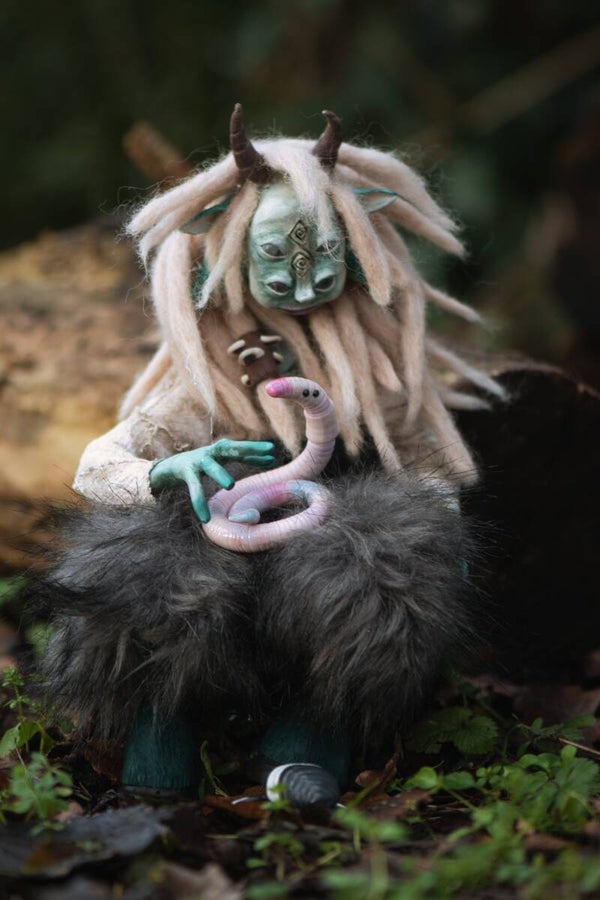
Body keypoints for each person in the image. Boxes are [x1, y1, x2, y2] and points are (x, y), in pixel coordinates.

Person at [37, 105, 503, 813]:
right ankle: (159, 742)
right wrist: (165, 472)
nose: (305, 278)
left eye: (323, 250)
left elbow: (422, 460)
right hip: (214, 543)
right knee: (144, 574)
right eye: (279, 253)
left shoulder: (377, 376)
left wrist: (439, 528)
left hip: (326, 552)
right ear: (228, 249)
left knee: (386, 573)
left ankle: (309, 742)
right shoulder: (205, 384)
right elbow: (99, 464)